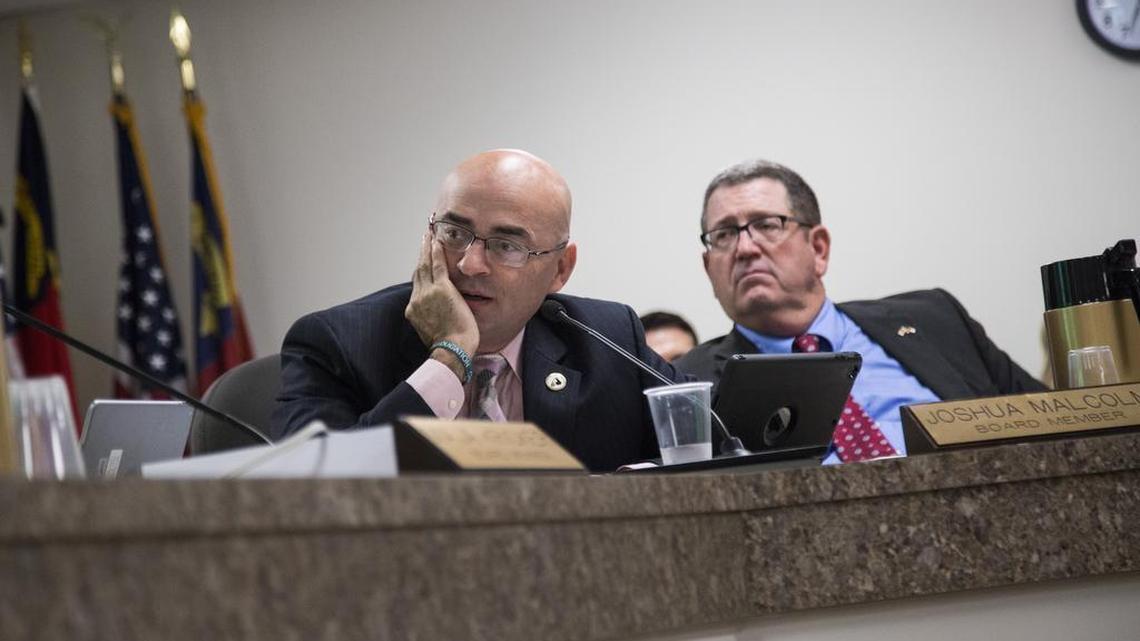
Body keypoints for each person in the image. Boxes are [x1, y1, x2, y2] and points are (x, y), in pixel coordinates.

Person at [271, 149, 675, 472]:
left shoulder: (609, 339)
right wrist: (450, 356)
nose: (469, 264)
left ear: (561, 269)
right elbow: (309, 488)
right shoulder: (339, 342)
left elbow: (715, 447)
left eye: (506, 246)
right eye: (454, 233)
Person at [675, 159, 1045, 463]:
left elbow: (1055, 425)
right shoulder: (687, 386)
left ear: (819, 249)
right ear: (710, 269)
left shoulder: (936, 319)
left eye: (767, 225)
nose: (745, 248)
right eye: (724, 234)